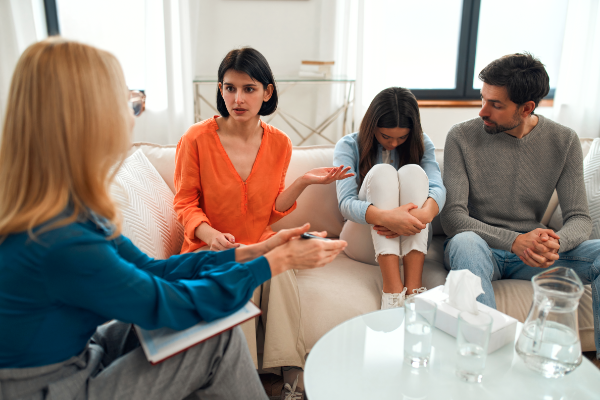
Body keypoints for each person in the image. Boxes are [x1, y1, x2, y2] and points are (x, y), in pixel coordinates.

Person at [0, 37, 347, 400]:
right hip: (50, 387)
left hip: (81, 355)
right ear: (88, 119)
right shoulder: (60, 238)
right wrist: (275, 260)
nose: (133, 114)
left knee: (216, 327)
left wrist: (252, 252)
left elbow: (151, 270)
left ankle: (284, 377)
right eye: (128, 101)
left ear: (266, 92)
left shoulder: (72, 211)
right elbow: (164, 304)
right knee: (215, 334)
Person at [173, 47, 352, 398]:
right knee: (239, 272)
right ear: (221, 89)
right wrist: (210, 235)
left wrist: (304, 182)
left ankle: (289, 377)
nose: (237, 99)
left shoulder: (280, 143)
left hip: (259, 241)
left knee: (279, 264)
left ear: (267, 92)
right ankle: (239, 380)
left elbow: (269, 212)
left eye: (249, 89)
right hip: (209, 249)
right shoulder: (195, 139)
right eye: (230, 88)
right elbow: (184, 203)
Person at [441, 53, 600, 361]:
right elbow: (453, 218)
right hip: (480, 246)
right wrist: (515, 241)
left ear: (527, 108)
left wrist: (554, 242)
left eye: (496, 105)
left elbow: (580, 218)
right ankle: (485, 361)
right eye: (483, 98)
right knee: (464, 241)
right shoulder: (461, 136)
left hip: (532, 254)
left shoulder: (564, 141)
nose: (482, 111)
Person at [334, 87, 446, 309]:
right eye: (386, 136)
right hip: (365, 240)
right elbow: (345, 203)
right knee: (382, 172)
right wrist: (386, 218)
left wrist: (422, 215)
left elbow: (437, 188)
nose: (394, 144)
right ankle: (392, 291)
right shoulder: (348, 145)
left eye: (402, 137)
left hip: (411, 237)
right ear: (372, 126)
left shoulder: (422, 143)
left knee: (414, 171)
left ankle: (413, 289)